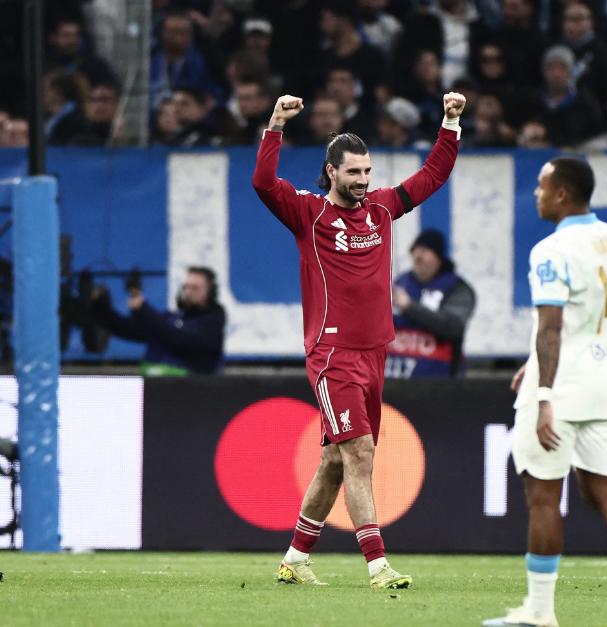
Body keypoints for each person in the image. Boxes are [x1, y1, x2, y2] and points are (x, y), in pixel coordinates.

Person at [251, 91, 465, 589]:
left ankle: (295, 558)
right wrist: (276, 125)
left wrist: (450, 125)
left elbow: (431, 177)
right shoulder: (309, 215)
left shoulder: (382, 211)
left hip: (374, 354)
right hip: (333, 356)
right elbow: (263, 182)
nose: (363, 181)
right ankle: (377, 564)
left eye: (367, 172)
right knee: (361, 452)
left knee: (333, 460)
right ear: (330, 172)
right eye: (353, 173)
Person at [484, 158, 607, 627]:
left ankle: (539, 611)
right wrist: (533, 362)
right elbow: (584, 318)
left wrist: (544, 392)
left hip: (562, 390)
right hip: (605, 385)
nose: (535, 193)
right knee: (603, 493)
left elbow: (552, 328)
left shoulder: (550, 251)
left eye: (541, 186)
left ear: (562, 195)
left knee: (543, 498)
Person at [91, 267, 226, 376]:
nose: (188, 292)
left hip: (191, 392)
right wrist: (100, 307)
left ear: (211, 292)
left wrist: (143, 309)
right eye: (186, 287)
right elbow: (129, 330)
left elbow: (178, 338)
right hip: (153, 388)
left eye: (195, 288)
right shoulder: (172, 318)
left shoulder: (213, 320)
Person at [388, 229, 476, 378]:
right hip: (395, 381)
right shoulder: (399, 283)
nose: (418, 256)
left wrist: (410, 307)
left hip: (441, 386)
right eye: (415, 250)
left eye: (425, 251)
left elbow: (453, 326)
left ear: (439, 258)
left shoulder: (456, 288)